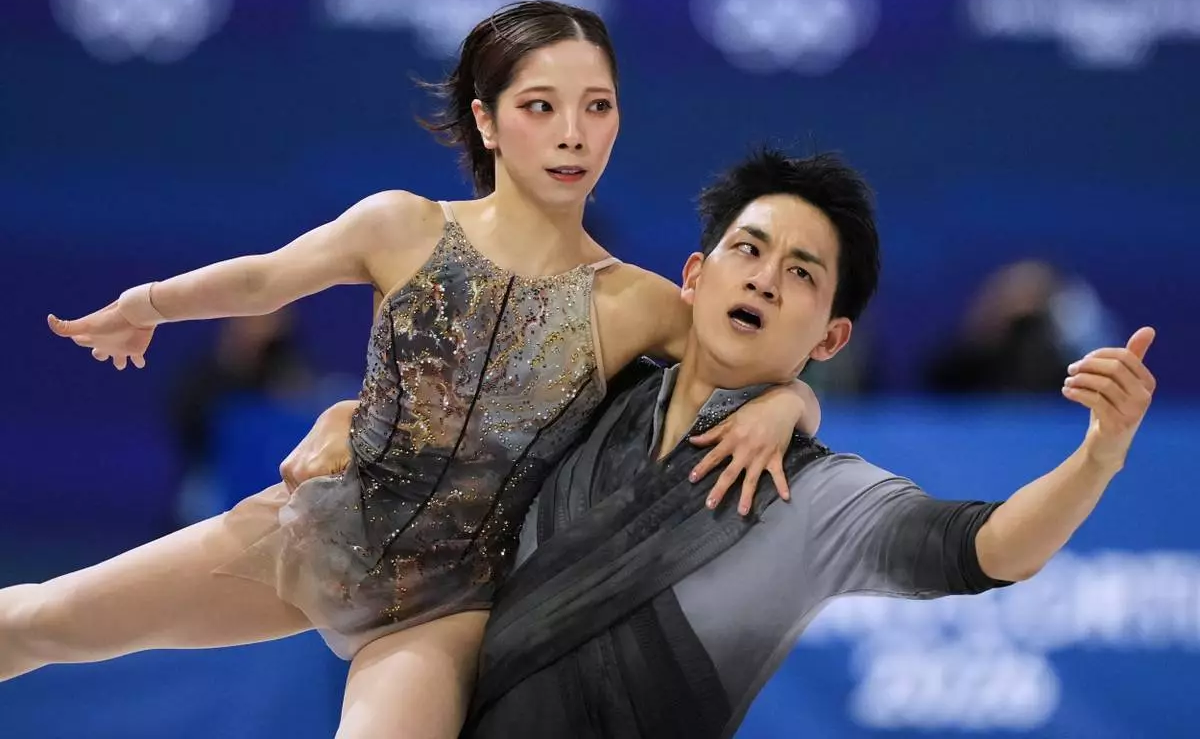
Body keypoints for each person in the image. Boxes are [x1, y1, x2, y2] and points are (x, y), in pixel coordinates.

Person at [1, 2, 819, 738]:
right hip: (314, 535)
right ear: (486, 121)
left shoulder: (637, 302)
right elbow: (263, 277)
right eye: (541, 106)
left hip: (447, 604)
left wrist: (785, 409)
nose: (574, 132)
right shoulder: (400, 225)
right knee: (37, 620)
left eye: (596, 107)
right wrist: (147, 304)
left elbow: (771, 375)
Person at [290, 148, 1158, 739]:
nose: (766, 279)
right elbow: (444, 422)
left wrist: (1098, 458)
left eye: (802, 274)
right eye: (749, 250)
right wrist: (352, 421)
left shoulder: (816, 499)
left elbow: (991, 547)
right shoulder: (580, 392)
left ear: (831, 339)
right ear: (695, 277)